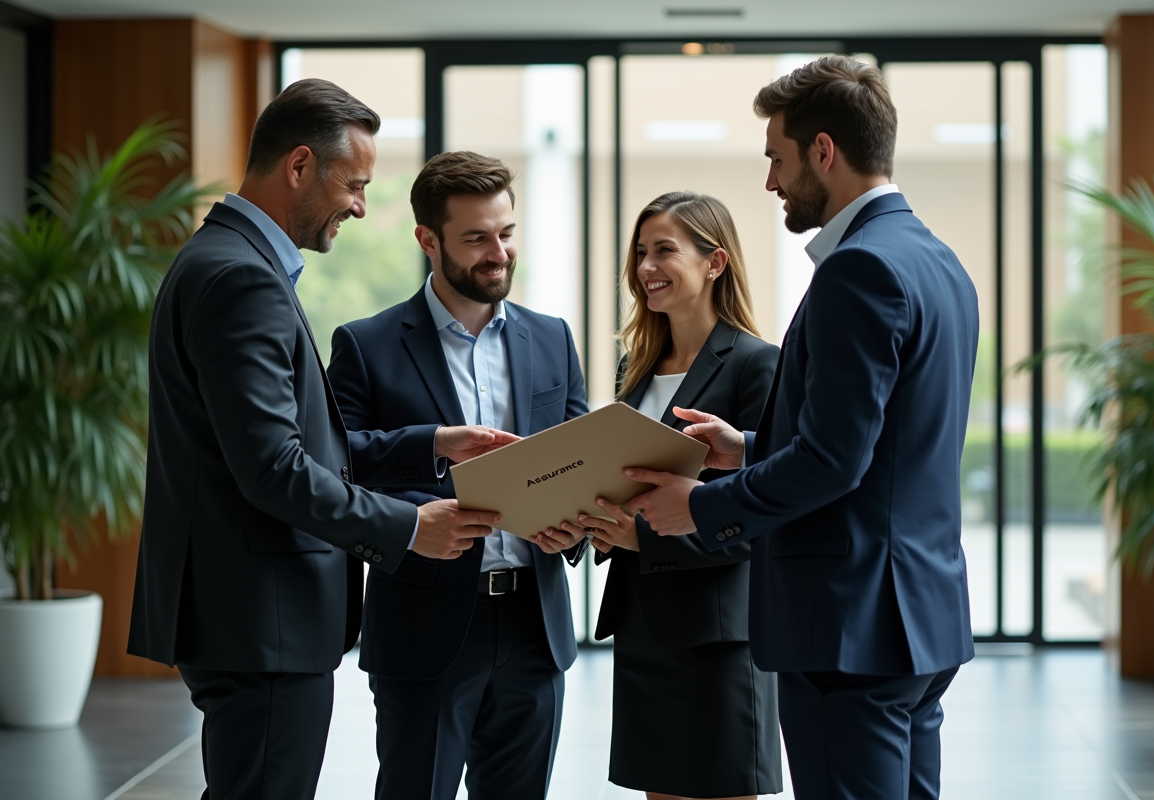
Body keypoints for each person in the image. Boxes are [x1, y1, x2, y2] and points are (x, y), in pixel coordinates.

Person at [128, 80, 517, 800]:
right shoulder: (242, 278)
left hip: (246, 615)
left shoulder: (224, 260)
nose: (362, 206)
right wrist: (409, 527)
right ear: (300, 166)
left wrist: (431, 442)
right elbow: (274, 470)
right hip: (261, 619)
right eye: (356, 184)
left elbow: (290, 447)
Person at [628, 56, 980, 800]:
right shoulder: (939, 262)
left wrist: (700, 506)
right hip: (919, 615)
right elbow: (883, 446)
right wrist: (745, 449)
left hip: (847, 621)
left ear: (824, 151)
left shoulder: (859, 270)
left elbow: (833, 461)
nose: (770, 183)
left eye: (776, 159)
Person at [326, 150, 589, 800]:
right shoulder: (367, 344)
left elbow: (583, 461)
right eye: (475, 238)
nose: (497, 252)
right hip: (426, 624)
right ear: (427, 240)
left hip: (535, 624)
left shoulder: (553, 338)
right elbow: (337, 461)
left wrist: (576, 528)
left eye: (506, 233)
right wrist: (436, 445)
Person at [555, 191, 781, 800]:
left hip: (717, 637)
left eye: (664, 251)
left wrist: (642, 535)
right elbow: (625, 486)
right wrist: (579, 518)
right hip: (644, 625)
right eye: (640, 252)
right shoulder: (637, 367)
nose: (646, 267)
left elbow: (761, 514)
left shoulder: (757, 366)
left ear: (715, 263)